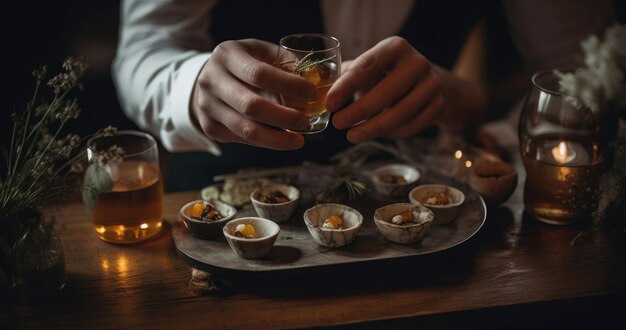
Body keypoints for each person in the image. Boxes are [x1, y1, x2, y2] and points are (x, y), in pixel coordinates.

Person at [112, 0, 616, 191]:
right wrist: (194, 85)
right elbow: (143, 50)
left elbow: (586, 68)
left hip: (429, 209)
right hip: (228, 206)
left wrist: (479, 115)